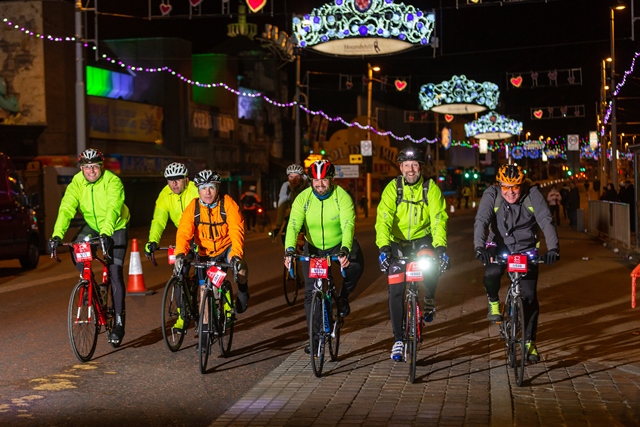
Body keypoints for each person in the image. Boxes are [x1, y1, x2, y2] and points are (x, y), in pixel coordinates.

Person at [474, 164, 559, 363]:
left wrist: (553, 249)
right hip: (499, 246)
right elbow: (481, 221)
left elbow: (546, 220)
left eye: (515, 187)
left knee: (529, 296)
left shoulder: (533, 194)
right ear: (499, 185)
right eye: (506, 187)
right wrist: (480, 247)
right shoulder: (491, 195)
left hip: (525, 249)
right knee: (491, 273)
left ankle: (529, 342)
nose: (510, 192)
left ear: (522, 184)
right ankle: (494, 302)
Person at [49, 148, 130, 345]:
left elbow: (113, 207)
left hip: (116, 226)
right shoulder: (77, 182)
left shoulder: (112, 181)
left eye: (95, 166)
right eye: (87, 167)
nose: (91, 171)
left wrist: (106, 233)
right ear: (81, 168)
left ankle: (118, 324)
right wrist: (57, 235)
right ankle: (91, 285)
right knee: (76, 247)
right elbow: (67, 207)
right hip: (93, 226)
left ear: (101, 167)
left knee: (115, 272)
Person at [375, 147, 448, 362]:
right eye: (406, 165)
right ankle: (398, 339)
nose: (410, 169)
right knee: (396, 290)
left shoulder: (430, 188)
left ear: (421, 167)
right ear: (400, 167)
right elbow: (383, 220)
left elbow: (438, 219)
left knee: (432, 264)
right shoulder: (392, 189)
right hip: (397, 243)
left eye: (415, 165)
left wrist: (441, 247)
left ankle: (430, 297)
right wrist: (383, 247)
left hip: (422, 240)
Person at [283, 160, 364, 354]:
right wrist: (289, 250)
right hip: (314, 248)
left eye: (324, 180)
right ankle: (316, 339)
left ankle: (343, 297)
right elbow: (293, 225)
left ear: (331, 179)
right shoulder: (303, 198)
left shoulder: (341, 196)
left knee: (356, 266)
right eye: (316, 180)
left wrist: (344, 250)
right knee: (311, 294)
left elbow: (347, 225)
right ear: (310, 180)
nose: (320, 184)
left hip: (338, 243)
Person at [174, 170, 250, 316]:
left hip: (226, 249)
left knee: (241, 268)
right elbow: (184, 232)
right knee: (207, 294)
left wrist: (236, 256)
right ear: (198, 190)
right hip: (205, 253)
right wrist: (180, 254)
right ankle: (207, 331)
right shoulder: (193, 207)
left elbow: (236, 230)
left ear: (218, 188)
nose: (207, 192)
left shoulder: (228, 204)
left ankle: (243, 290)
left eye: (211, 187)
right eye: (203, 188)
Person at [144, 162, 199, 258]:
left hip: (202, 233)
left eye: (178, 179)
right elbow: (158, 220)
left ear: (186, 180)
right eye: (170, 180)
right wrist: (153, 240)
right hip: (184, 235)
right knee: (181, 266)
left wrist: (200, 240)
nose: (174, 184)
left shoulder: (196, 190)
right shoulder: (164, 194)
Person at [272, 164, 309, 238]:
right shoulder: (286, 186)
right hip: (294, 214)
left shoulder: (309, 185)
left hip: (309, 215)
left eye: (296, 177)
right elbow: (282, 206)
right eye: (291, 177)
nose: (293, 180)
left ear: (301, 177)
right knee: (285, 235)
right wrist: (278, 227)